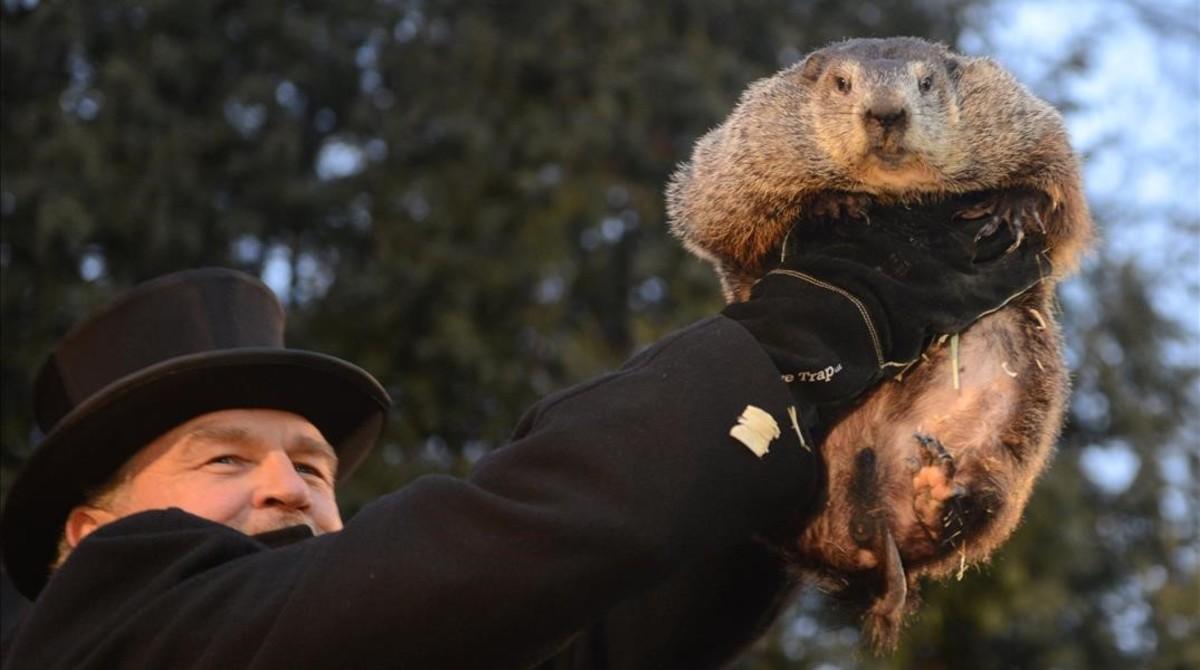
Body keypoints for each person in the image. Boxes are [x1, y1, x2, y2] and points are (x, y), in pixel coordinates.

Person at [0, 214, 1046, 669]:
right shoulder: (103, 631)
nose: (289, 486)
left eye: (314, 466)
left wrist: (820, 462)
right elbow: (498, 548)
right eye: (225, 458)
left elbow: (594, 632)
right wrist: (807, 332)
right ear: (90, 538)